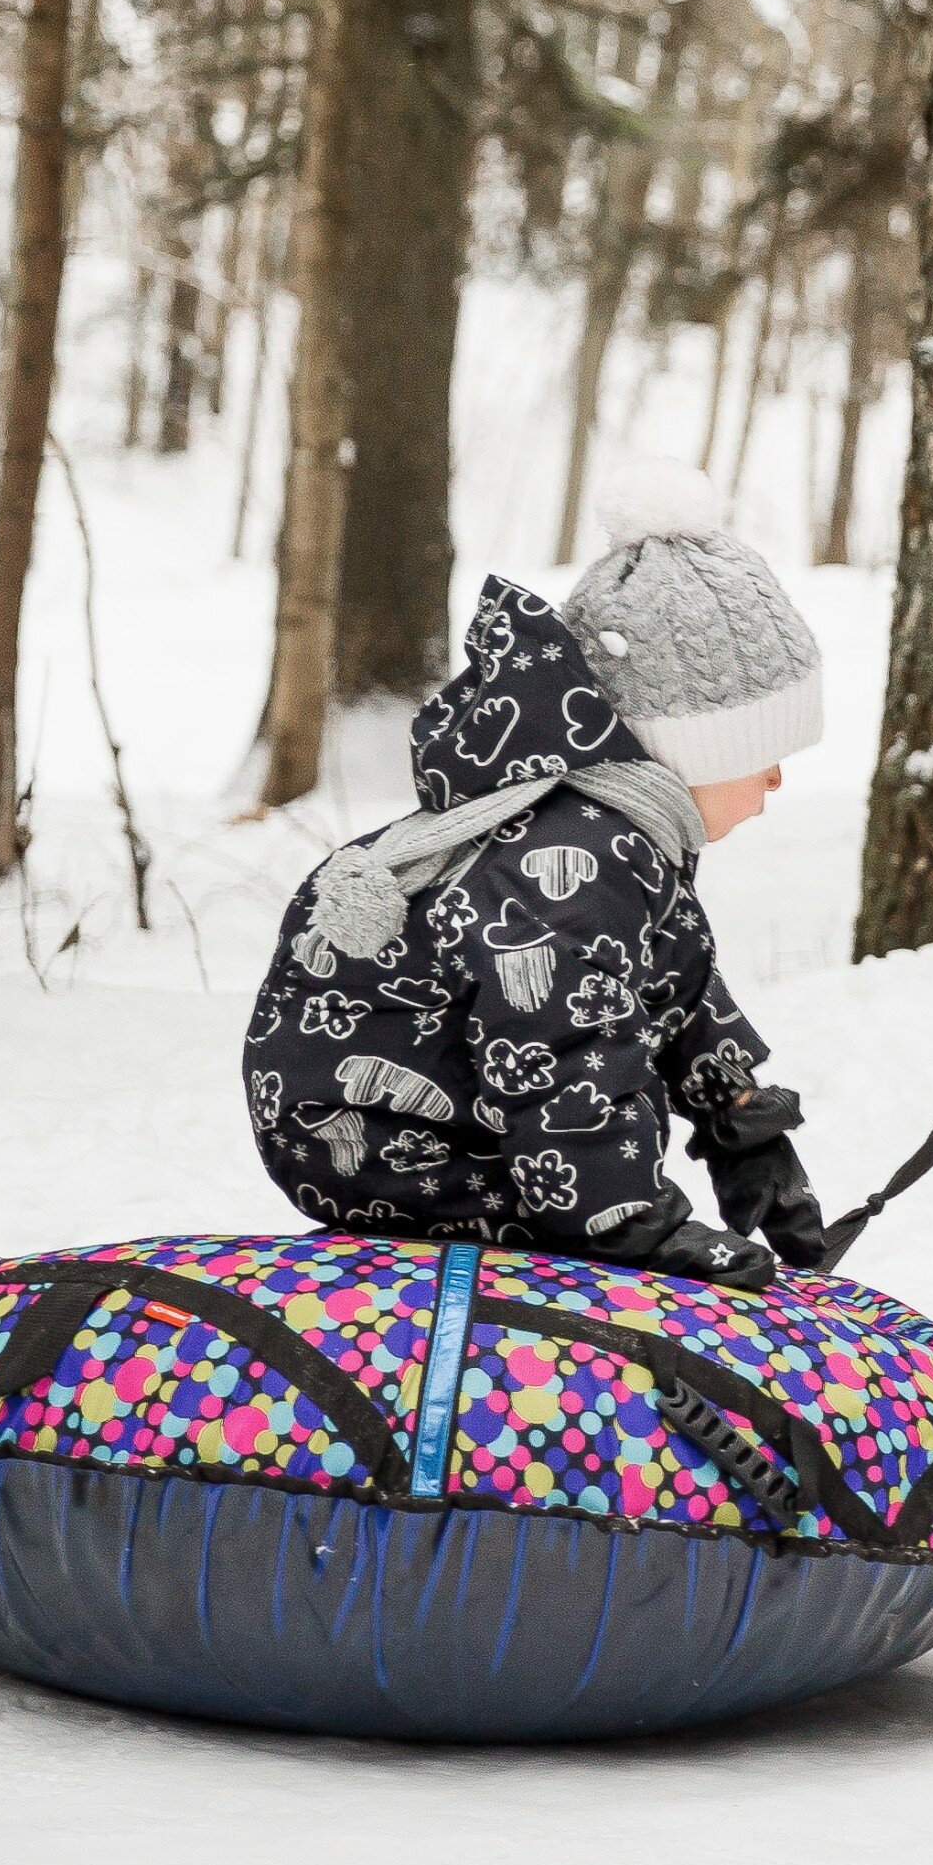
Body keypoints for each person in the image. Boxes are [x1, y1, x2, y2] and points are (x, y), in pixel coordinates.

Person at [238, 464, 832, 1286]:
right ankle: (580, 1234)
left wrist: (742, 1125)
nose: (776, 778)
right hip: (380, 1142)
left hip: (463, 1116)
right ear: (691, 747)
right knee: (576, 1185)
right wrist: (633, 1228)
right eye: (761, 749)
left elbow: (666, 982)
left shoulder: (615, 834)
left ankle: (584, 1212)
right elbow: (562, 1046)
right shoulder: (573, 860)